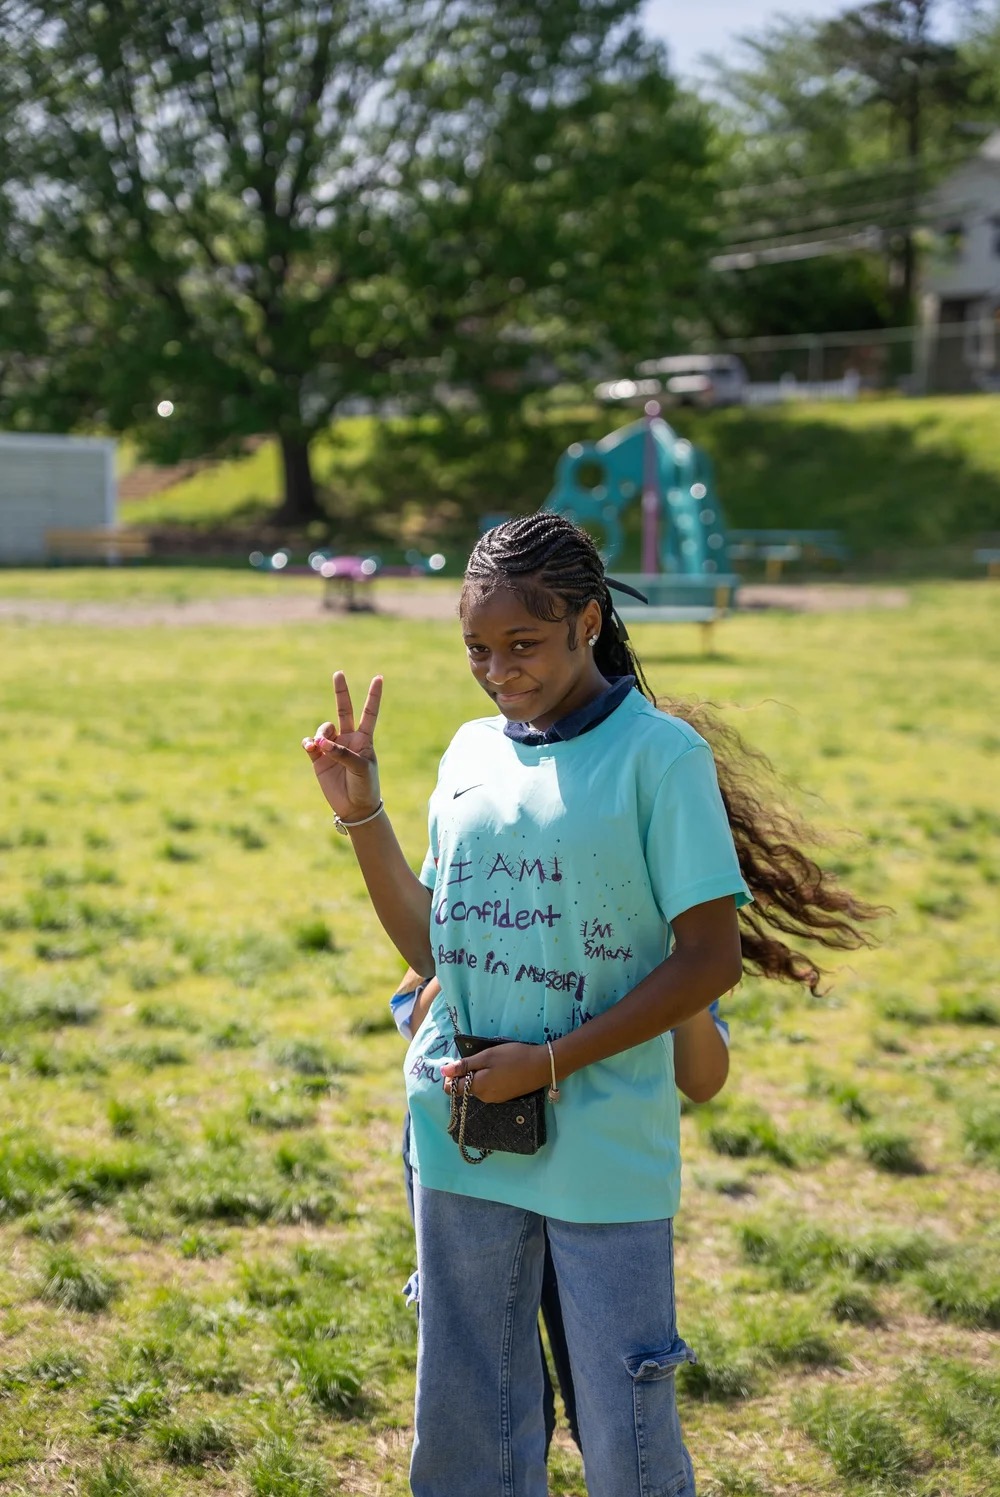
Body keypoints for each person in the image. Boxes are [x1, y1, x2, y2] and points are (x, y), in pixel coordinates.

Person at [302, 512, 878, 1497]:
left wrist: (552, 1062)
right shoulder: (468, 753)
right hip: (462, 1134)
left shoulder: (661, 757)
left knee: (626, 1434)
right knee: (465, 1421)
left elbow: (709, 961)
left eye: (522, 644)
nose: (498, 671)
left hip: (606, 1152)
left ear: (588, 622)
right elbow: (434, 950)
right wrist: (362, 813)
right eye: (477, 648)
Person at [389, 966, 733, 1459]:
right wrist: (462, 957)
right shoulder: (470, 910)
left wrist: (682, 974)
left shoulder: (647, 923)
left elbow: (703, 1080)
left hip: (591, 1170)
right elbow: (416, 1018)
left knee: (606, 1398)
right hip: (474, 1152)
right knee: (495, 1403)